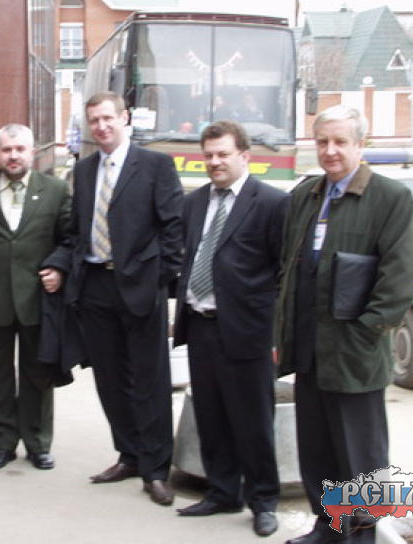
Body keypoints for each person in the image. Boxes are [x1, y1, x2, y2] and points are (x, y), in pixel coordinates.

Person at [276, 105, 413, 543]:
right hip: (309, 349)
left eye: (340, 141)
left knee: (359, 457)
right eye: (323, 141)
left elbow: (400, 279)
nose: (331, 150)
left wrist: (365, 333)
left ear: (361, 144)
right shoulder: (305, 195)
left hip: (355, 353)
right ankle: (327, 528)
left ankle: (360, 536)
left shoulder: (390, 198)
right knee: (317, 449)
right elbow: (289, 268)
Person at [42, 91, 184, 506]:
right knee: (110, 379)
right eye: (95, 120)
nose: (102, 126)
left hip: (141, 287)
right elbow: (76, 231)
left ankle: (156, 469)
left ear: (125, 118)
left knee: (149, 381)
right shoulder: (85, 170)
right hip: (95, 288)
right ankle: (129, 455)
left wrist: (158, 279)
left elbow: (173, 229)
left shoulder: (155, 165)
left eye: (108, 118)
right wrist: (62, 266)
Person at [172, 120, 287, 536]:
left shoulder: (272, 203)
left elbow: (283, 270)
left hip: (247, 331)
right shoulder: (194, 202)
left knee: (253, 422)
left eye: (223, 154)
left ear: (244, 155)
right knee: (211, 416)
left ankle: (263, 501)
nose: (215, 162)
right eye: (208, 155)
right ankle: (222, 492)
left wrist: (270, 325)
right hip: (201, 325)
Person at [0, 124, 71, 471]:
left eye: (20, 149)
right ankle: (2, 443)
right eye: (7, 149)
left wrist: (59, 269)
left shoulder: (55, 190)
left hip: (38, 298)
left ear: (33, 153)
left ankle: (38, 443)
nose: (14, 156)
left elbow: (70, 238)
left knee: (38, 373)